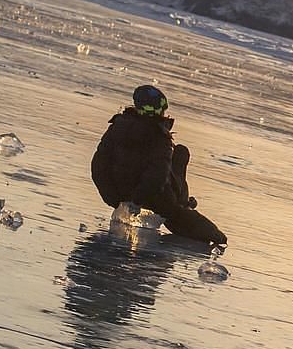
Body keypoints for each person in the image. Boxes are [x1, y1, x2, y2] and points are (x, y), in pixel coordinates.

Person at [90, 84, 228, 245]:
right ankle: (184, 203)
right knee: (181, 154)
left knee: (169, 167)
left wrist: (113, 198)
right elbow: (157, 177)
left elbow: (98, 166)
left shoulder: (116, 128)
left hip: (119, 193)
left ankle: (182, 203)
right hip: (153, 198)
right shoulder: (159, 137)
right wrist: (137, 201)